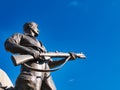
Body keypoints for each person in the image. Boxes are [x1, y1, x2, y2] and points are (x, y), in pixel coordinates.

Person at [4, 22, 76, 90]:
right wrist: (29, 51)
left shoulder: (41, 44)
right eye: (37, 27)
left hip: (46, 80)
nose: (38, 30)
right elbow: (8, 44)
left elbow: (50, 64)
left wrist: (67, 59)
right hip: (30, 78)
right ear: (31, 27)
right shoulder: (20, 36)